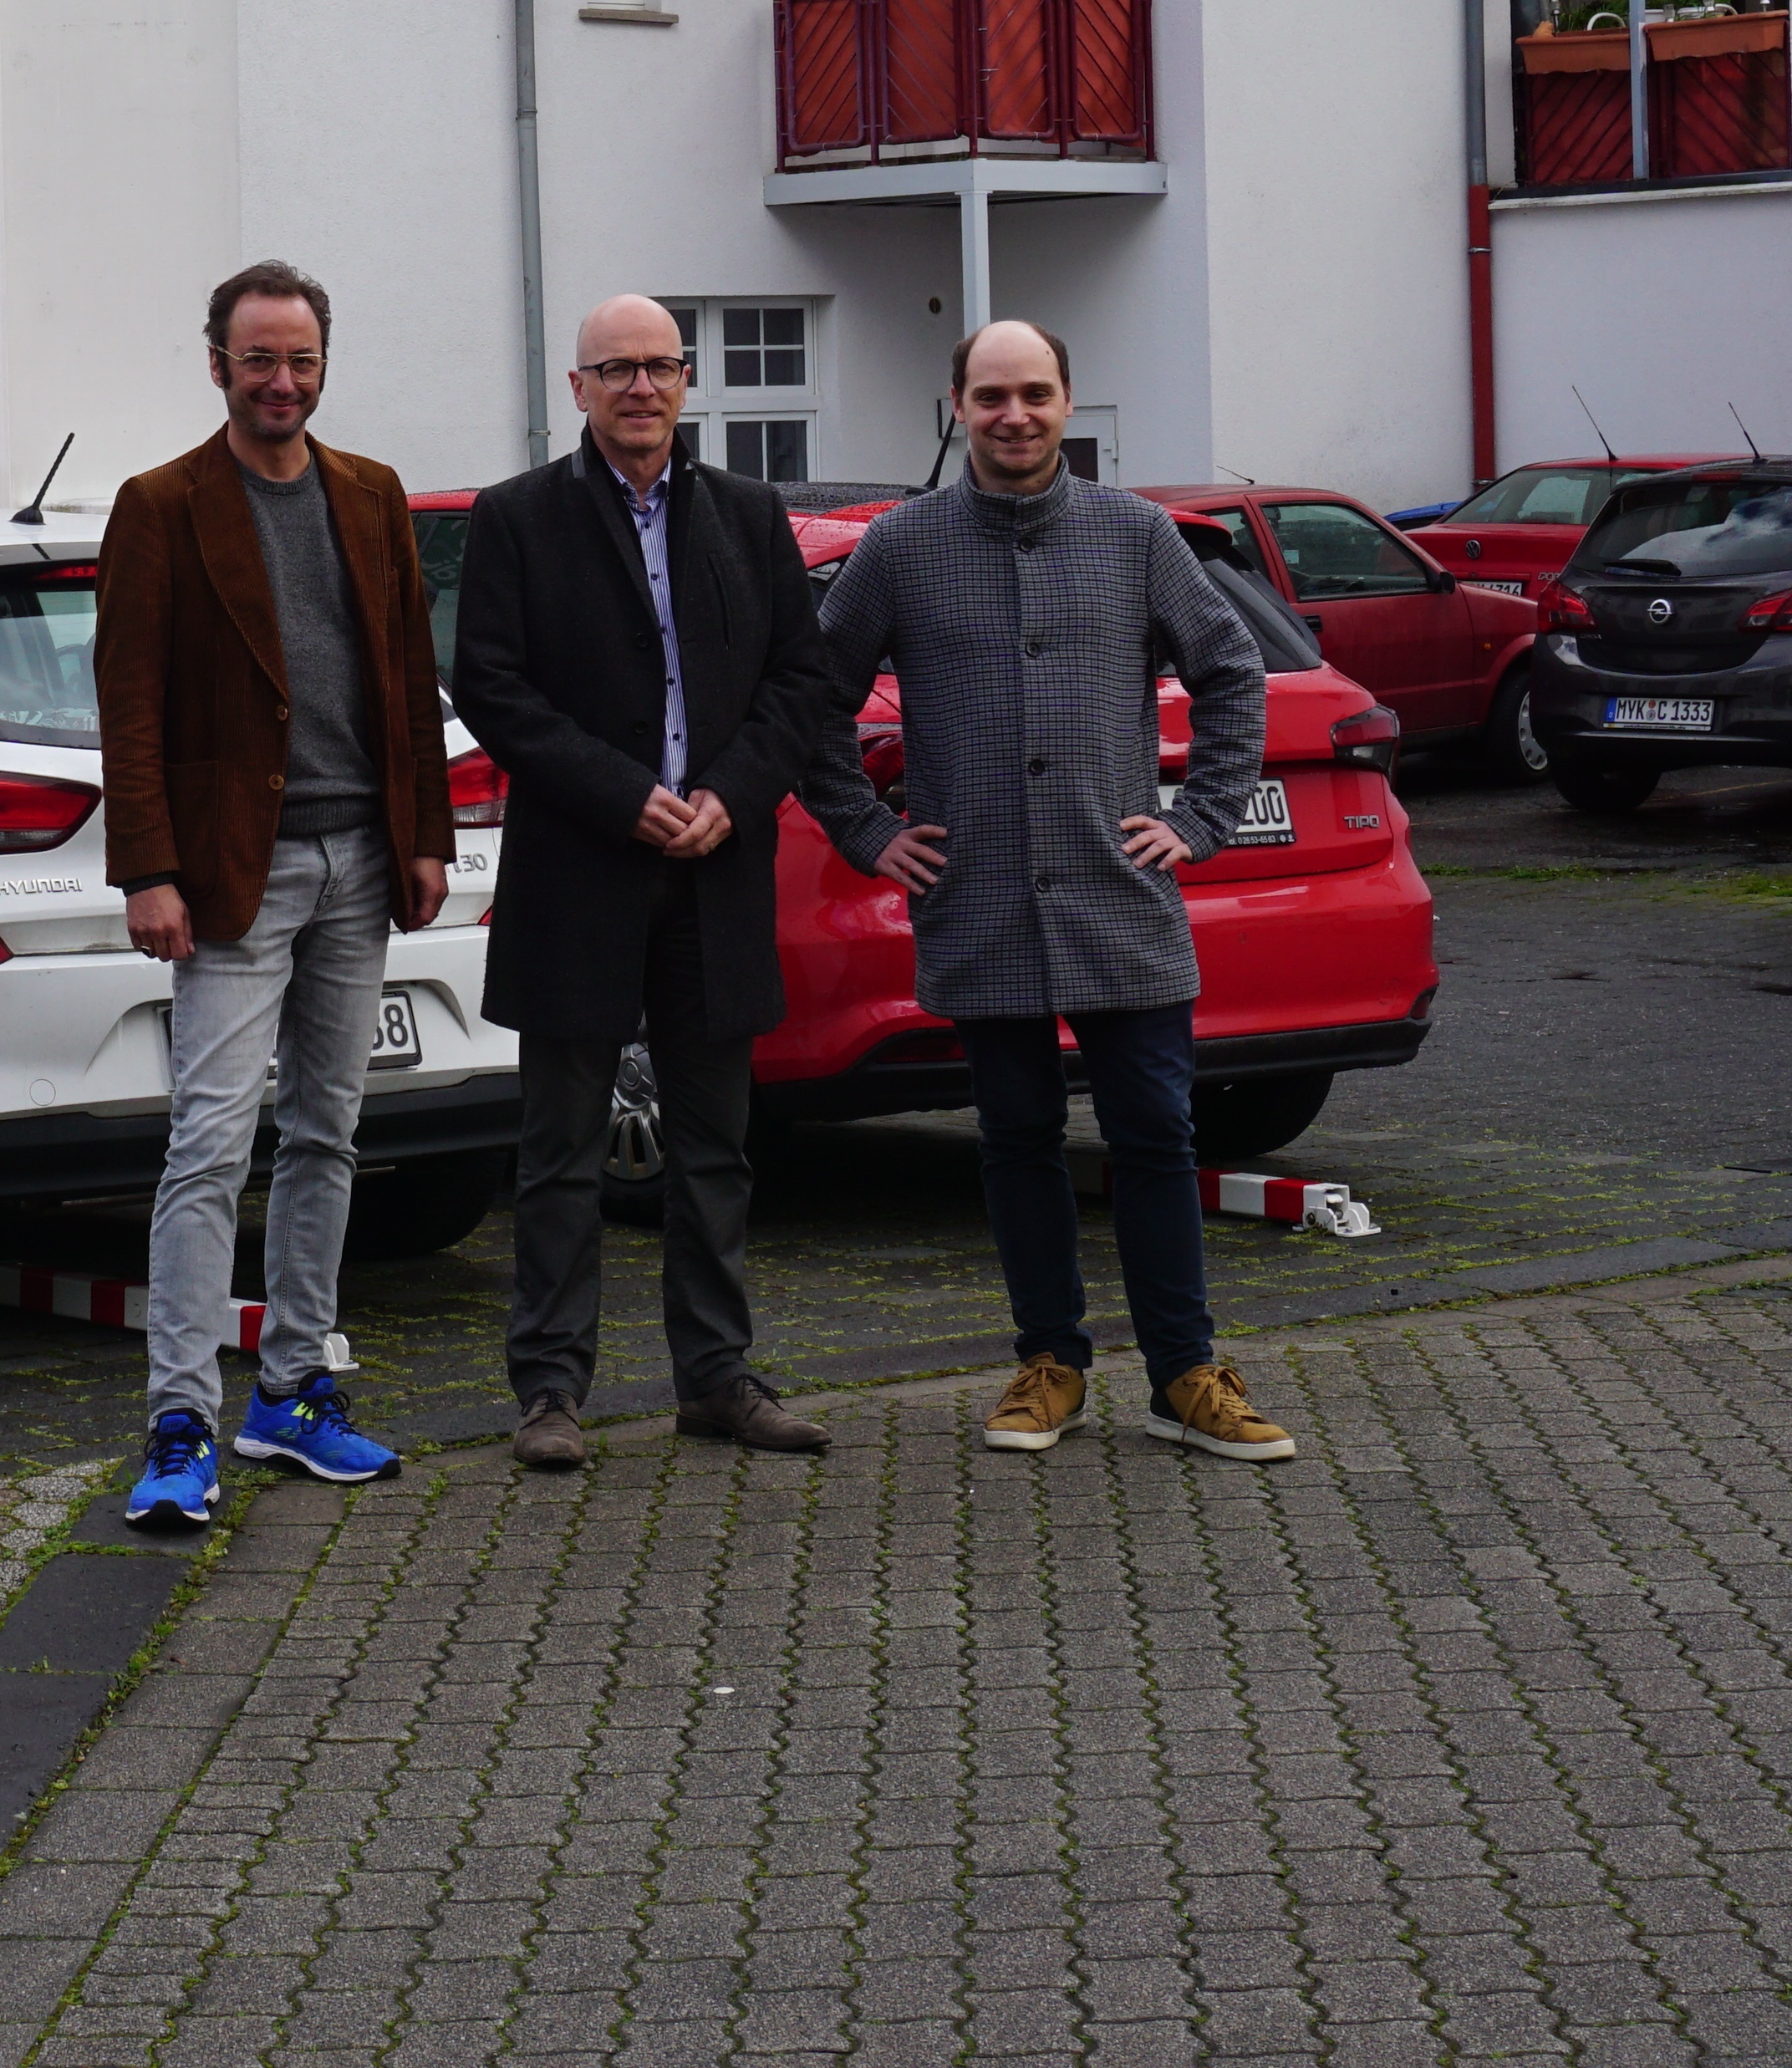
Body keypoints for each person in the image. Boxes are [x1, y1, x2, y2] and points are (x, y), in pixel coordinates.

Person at [809, 318, 1298, 1463]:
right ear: (956, 405)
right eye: (991, 395)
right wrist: (868, 831)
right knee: (1017, 1137)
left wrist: (1202, 820)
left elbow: (1231, 672)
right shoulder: (902, 549)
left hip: (1117, 894)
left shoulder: (1134, 538)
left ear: (1067, 403)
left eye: (1033, 393)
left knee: (1154, 1134)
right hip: (979, 898)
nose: (1013, 415)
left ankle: (1184, 1375)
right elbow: (808, 698)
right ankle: (1049, 1364)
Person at [448, 294, 846, 1469]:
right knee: (561, 1149)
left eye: (660, 367)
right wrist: (622, 794)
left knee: (715, 1147)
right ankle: (551, 1393)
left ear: (686, 382)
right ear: (577, 389)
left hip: (718, 869)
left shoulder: (749, 514)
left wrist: (735, 789)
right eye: (614, 369)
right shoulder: (519, 519)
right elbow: (495, 687)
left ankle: (717, 1380)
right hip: (582, 868)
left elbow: (800, 680)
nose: (639, 388)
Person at [94, 259, 459, 1530]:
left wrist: (428, 838)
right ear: (218, 367)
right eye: (259, 360)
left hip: (364, 860)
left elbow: (407, 680)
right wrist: (147, 866)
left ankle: (294, 1393)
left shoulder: (371, 495)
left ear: (322, 364)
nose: (282, 382)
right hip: (231, 878)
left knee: (329, 1135)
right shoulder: (161, 506)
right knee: (208, 1146)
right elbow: (128, 703)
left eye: (300, 360)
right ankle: (181, 1419)